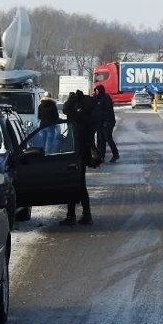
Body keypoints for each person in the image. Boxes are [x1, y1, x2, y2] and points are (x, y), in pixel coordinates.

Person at [61, 89, 97, 225]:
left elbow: (66, 108)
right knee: (79, 184)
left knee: (76, 184)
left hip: (76, 154)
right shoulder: (86, 116)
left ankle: (76, 215)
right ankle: (81, 214)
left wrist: (73, 99)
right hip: (81, 153)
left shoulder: (79, 117)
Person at [92, 84, 119, 163]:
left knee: (107, 138)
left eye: (97, 91)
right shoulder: (98, 98)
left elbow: (107, 111)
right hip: (101, 122)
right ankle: (101, 156)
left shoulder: (105, 98)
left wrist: (106, 121)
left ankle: (115, 154)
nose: (96, 92)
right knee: (101, 139)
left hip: (107, 122)